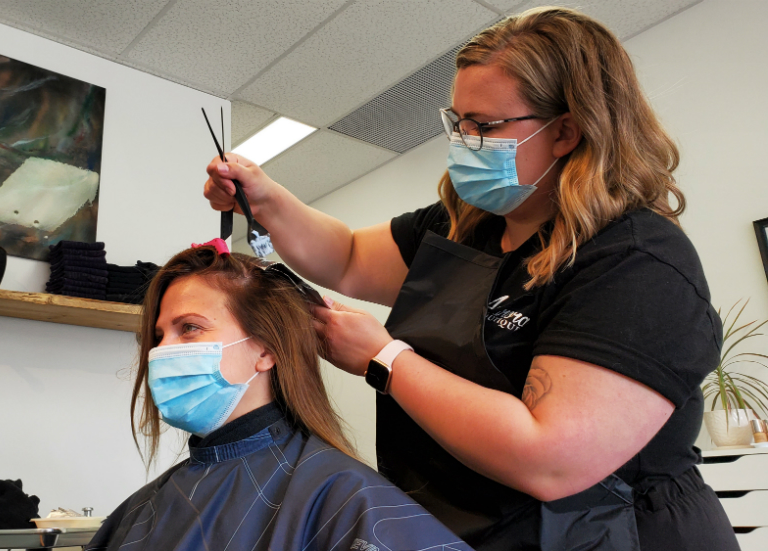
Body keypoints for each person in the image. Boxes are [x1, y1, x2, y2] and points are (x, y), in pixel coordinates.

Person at [202, 7, 738, 551]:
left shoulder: (635, 262)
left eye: (483, 126)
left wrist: (384, 360)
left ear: (566, 131)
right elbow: (346, 259)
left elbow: (549, 459)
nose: (462, 141)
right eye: (457, 122)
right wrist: (265, 200)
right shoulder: (464, 227)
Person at [85, 244, 472, 551]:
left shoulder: (342, 496)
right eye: (158, 336)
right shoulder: (140, 509)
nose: (161, 351)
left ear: (266, 350)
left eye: (188, 328)